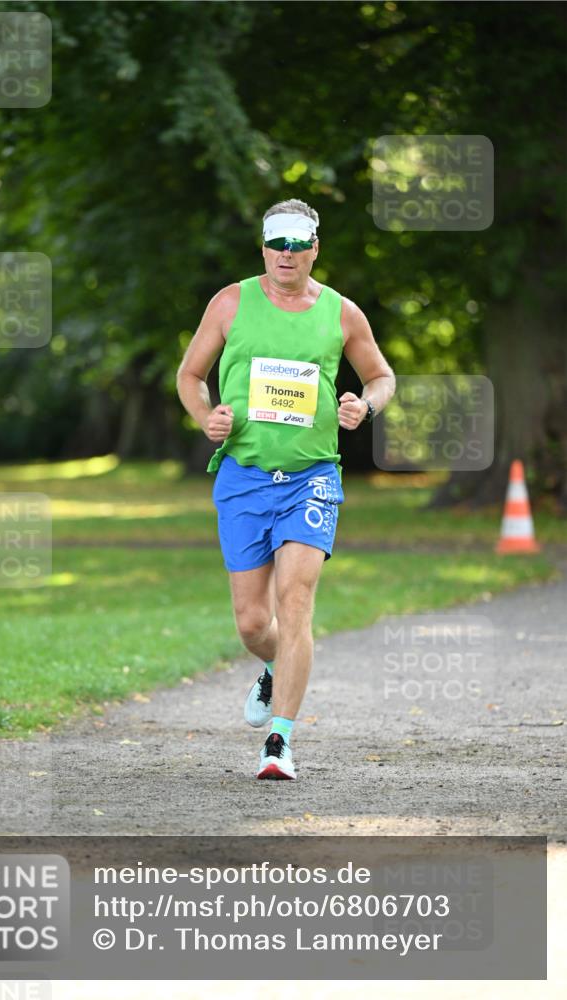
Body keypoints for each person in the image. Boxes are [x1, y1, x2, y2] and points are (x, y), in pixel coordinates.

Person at [176, 199, 395, 780]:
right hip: (244, 478)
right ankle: (273, 668)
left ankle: (280, 741)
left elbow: (381, 376)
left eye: (299, 245)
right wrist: (206, 419)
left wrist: (363, 405)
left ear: (315, 248)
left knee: (295, 603)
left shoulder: (341, 313)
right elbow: (189, 376)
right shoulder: (231, 302)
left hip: (312, 477)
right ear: (264, 247)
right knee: (253, 622)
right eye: (278, 244)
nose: (287, 255)